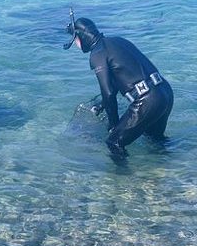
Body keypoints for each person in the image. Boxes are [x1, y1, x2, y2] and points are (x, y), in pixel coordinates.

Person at [64, 14, 173, 159]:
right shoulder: (118, 41)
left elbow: (108, 92)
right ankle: (173, 168)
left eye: (75, 41)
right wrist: (102, 105)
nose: (77, 46)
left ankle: (122, 179)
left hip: (148, 100)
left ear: (82, 37)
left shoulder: (97, 54)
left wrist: (113, 125)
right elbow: (120, 77)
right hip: (165, 92)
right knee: (155, 140)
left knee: (114, 143)